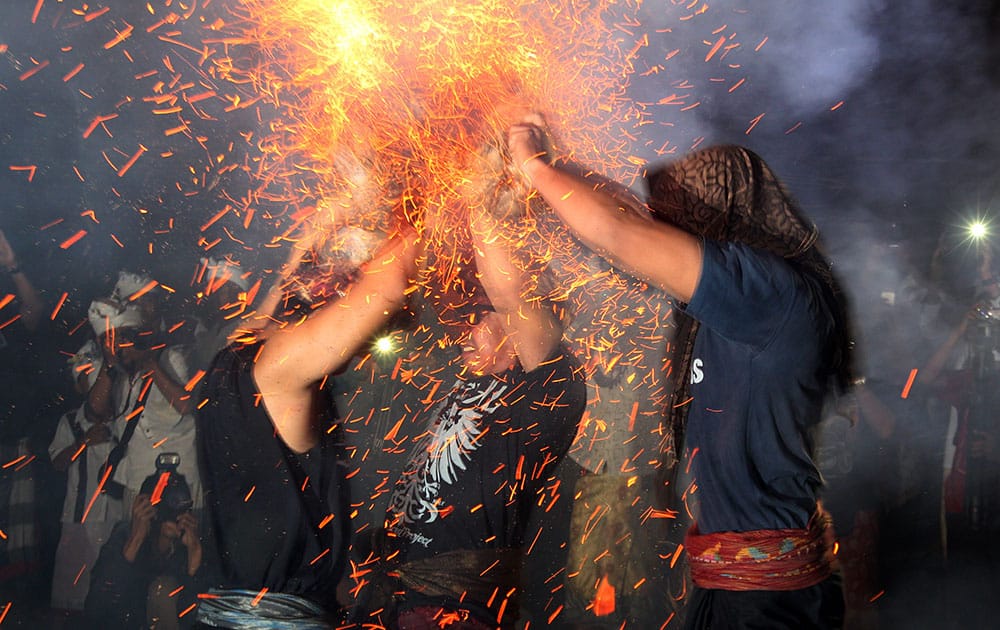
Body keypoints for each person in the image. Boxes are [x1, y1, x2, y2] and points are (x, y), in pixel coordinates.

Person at [507, 114, 851, 629]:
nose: (666, 226)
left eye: (678, 211)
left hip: (768, 597)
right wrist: (559, 165)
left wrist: (532, 164)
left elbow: (623, 233)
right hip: (731, 582)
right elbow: (625, 225)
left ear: (723, 207)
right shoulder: (730, 304)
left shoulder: (770, 294)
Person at [371, 175, 587, 629]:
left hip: (454, 612)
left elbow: (511, 292)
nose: (462, 333)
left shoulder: (547, 387)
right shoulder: (465, 384)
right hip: (397, 598)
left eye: (477, 318)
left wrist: (478, 194)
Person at [194, 227, 419, 628]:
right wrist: (428, 211)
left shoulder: (231, 357)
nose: (359, 348)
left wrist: (297, 259)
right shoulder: (279, 364)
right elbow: (387, 289)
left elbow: (272, 304)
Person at [85, 298, 202, 512]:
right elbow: (95, 412)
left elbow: (186, 406)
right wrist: (110, 363)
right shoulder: (114, 376)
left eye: (125, 337)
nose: (120, 346)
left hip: (183, 476)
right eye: (111, 341)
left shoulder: (170, 360)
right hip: (138, 479)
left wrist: (148, 361)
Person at [85, 456, 206, 629]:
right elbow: (97, 612)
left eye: (178, 500)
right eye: (166, 500)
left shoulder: (191, 543)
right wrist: (135, 541)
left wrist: (195, 559)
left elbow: (197, 620)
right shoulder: (125, 536)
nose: (172, 507)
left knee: (164, 589)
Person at [48, 340, 124, 615]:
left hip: (116, 517)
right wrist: (84, 442)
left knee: (108, 594)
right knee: (69, 597)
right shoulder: (70, 421)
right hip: (79, 520)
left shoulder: (126, 419)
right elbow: (57, 462)